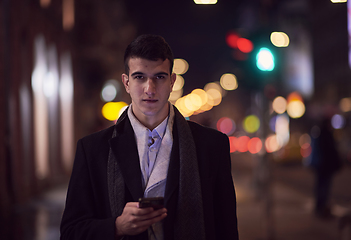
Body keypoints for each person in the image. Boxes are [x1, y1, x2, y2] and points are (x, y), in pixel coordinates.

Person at [60, 34, 239, 240]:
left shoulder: (211, 146)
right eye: (139, 77)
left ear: (172, 81)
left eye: (159, 77)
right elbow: (70, 233)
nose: (150, 89)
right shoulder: (92, 149)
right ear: (126, 82)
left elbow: (226, 230)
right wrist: (117, 226)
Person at [309, 117, 342, 218]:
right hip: (325, 166)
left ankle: (319, 207)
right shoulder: (326, 134)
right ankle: (322, 209)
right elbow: (330, 151)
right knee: (324, 188)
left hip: (320, 166)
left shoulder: (318, 133)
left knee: (320, 186)